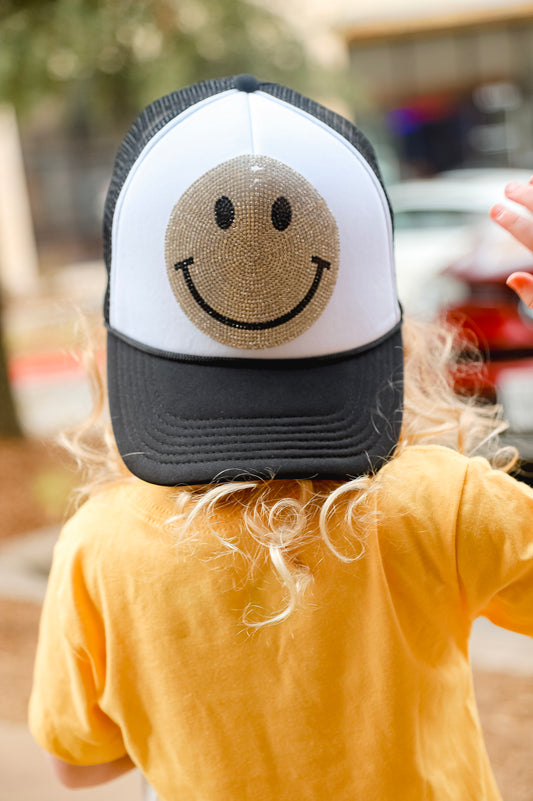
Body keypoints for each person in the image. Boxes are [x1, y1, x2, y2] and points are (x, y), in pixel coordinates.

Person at [29, 76, 533, 801]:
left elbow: (77, 762)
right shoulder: (442, 507)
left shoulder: (98, 550)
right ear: (394, 339)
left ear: (110, 355)